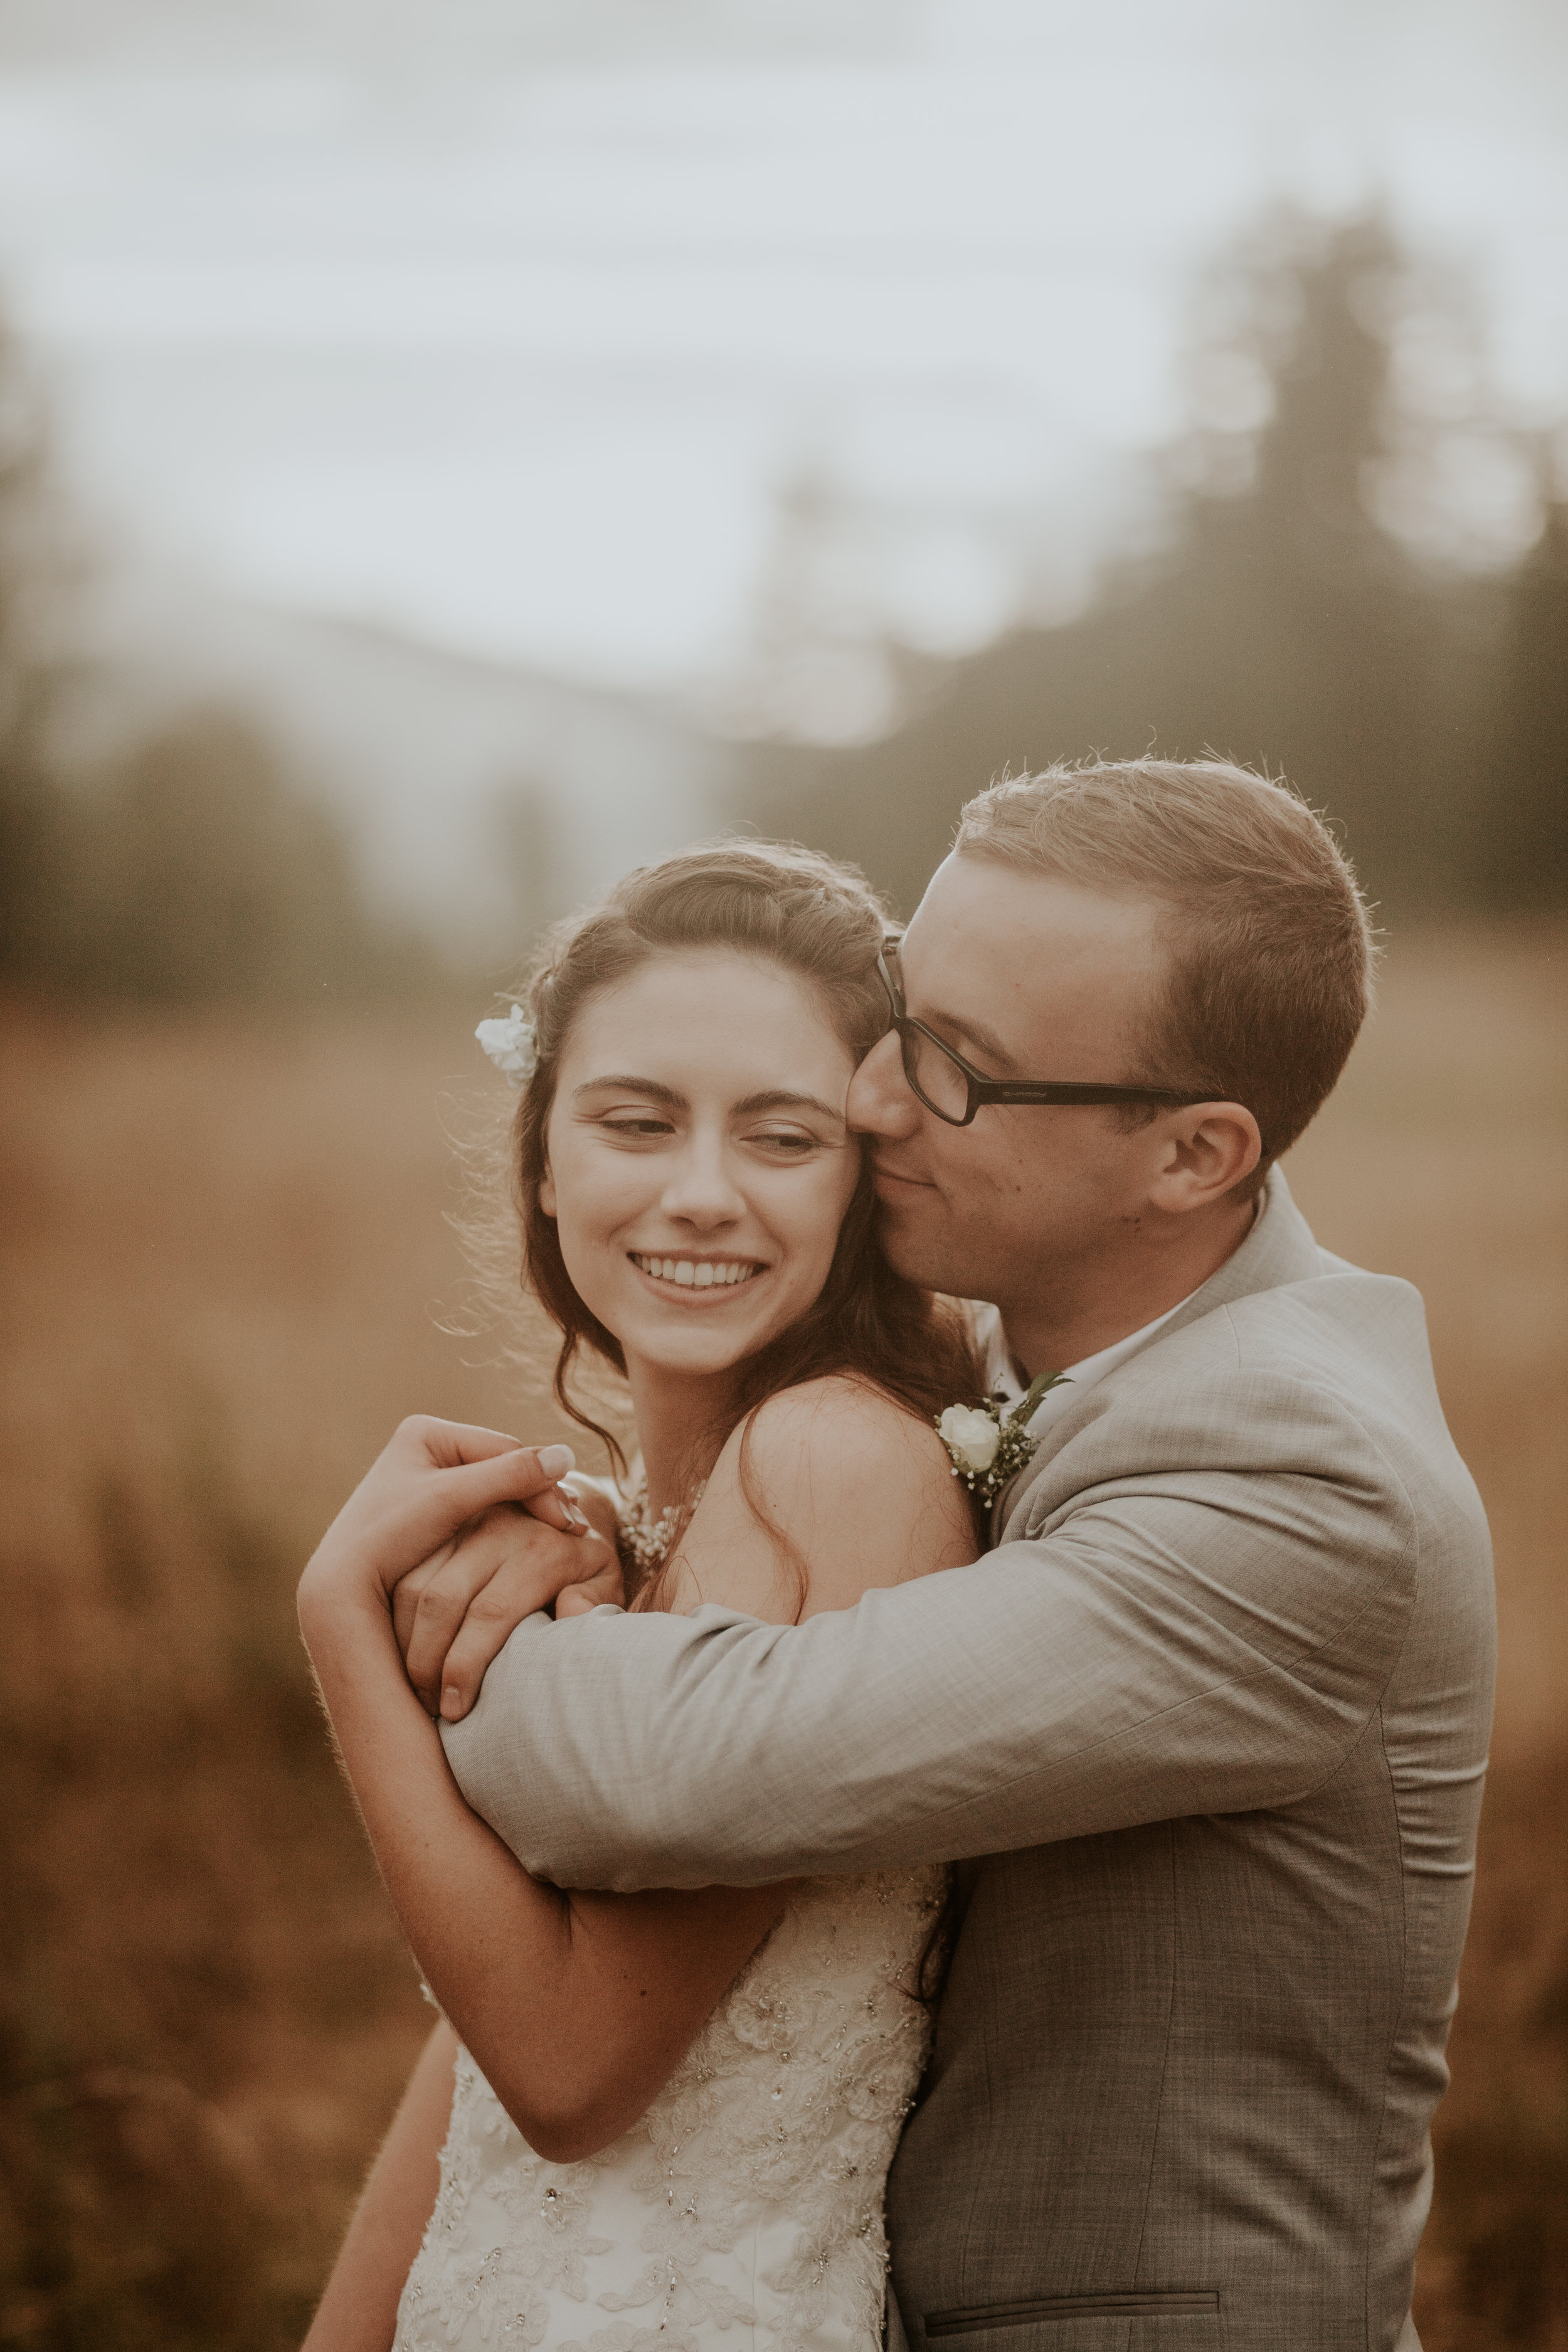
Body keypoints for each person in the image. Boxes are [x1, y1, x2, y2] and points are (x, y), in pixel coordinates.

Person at [419, 761, 1495, 2352]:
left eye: (954, 1069)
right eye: (895, 1021)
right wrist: (611, 1530)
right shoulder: (988, 1349)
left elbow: (675, 1773)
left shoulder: (1301, 1480)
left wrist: (384, 1617)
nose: (867, 1100)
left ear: (1193, 1155)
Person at [297, 841, 1013, 2352]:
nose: (699, 1195)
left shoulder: (830, 1467)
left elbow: (568, 2071)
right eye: (635, 1121)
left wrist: (339, 1629)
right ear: (544, 1155)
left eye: (779, 1136)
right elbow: (474, 2069)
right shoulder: (644, 1515)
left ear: (866, 1178)